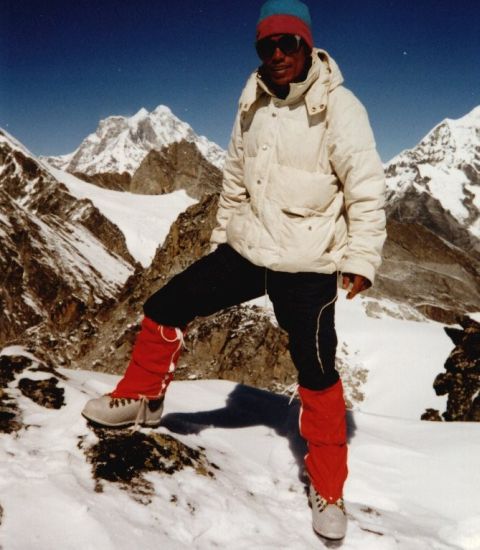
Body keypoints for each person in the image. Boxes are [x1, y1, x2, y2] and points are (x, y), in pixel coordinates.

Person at [82, 0, 386, 541]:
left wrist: (361, 259)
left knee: (316, 370)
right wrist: (224, 239)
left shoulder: (342, 109)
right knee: (167, 305)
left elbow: (365, 190)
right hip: (249, 250)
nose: (275, 55)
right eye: (265, 46)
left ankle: (329, 489)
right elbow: (235, 180)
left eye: (286, 43)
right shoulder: (252, 99)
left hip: (307, 260)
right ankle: (142, 398)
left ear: (306, 45)